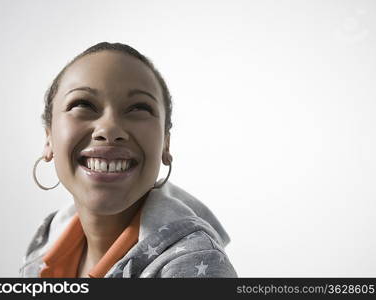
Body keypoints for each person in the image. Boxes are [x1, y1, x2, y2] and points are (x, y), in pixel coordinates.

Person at [19, 42, 237, 278]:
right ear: (49, 137)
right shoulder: (43, 245)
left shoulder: (197, 265)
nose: (110, 129)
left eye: (138, 108)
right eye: (83, 104)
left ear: (166, 143)